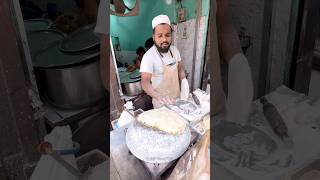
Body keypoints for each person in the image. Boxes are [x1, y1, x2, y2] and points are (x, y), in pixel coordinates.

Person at [140, 14, 189, 108]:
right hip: (161, 105)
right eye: (160, 36)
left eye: (167, 35)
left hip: (177, 101)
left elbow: (180, 69)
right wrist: (159, 96)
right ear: (153, 37)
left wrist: (183, 80)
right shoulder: (148, 56)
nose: (164, 39)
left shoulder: (175, 51)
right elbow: (145, 82)